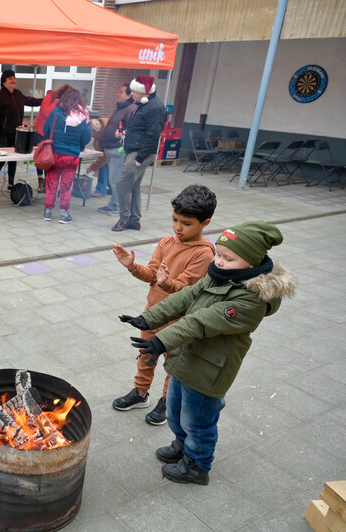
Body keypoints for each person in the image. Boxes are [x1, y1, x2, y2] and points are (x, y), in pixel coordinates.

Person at [120, 221, 295, 484]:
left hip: (209, 370)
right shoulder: (219, 274)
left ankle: (197, 466)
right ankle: (182, 447)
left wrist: (161, 341)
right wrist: (149, 319)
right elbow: (187, 296)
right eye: (218, 255)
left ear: (251, 262)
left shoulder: (251, 300)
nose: (220, 262)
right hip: (186, 359)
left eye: (228, 258)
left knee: (198, 422)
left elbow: (203, 320)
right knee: (175, 413)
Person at [111, 185, 217, 425]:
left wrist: (167, 283)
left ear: (205, 223)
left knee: (173, 363)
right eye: (175, 219)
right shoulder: (167, 242)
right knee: (145, 355)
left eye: (186, 223)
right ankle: (140, 392)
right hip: (153, 314)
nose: (178, 227)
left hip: (178, 321)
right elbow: (151, 274)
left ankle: (167, 402)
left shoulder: (204, 254)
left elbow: (188, 291)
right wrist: (131, 266)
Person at [112, 75, 167, 232]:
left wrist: (140, 158)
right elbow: (141, 129)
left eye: (134, 91)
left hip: (140, 152)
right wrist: (124, 133)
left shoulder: (155, 108)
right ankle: (134, 220)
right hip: (135, 149)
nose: (132, 94)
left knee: (121, 183)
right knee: (134, 185)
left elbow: (153, 135)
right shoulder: (145, 104)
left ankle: (124, 218)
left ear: (144, 92)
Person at [0, 70, 43, 197]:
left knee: (13, 161)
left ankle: (11, 184)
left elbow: (31, 101)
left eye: (14, 77)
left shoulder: (18, 94)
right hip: (3, 136)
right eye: (10, 78)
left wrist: (45, 100)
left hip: (17, 134)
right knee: (0, 161)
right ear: (4, 81)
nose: (13, 80)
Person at [41, 86, 91, 225]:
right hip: (72, 156)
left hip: (55, 154)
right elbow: (86, 137)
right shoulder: (84, 115)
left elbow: (46, 128)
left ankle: (48, 212)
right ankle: (64, 214)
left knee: (51, 183)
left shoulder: (57, 111)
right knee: (66, 186)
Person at [98, 84, 137, 217]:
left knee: (116, 181)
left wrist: (119, 138)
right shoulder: (121, 108)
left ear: (129, 95)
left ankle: (118, 207)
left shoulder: (130, 109)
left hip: (118, 150)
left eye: (120, 92)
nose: (117, 94)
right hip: (111, 149)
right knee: (112, 180)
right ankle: (113, 204)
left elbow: (129, 129)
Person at [33, 83, 70, 194]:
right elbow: (47, 112)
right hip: (39, 132)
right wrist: (57, 102)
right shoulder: (49, 97)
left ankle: (48, 182)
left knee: (49, 159)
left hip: (51, 134)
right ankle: (41, 180)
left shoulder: (62, 103)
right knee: (41, 158)